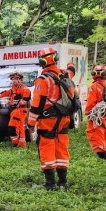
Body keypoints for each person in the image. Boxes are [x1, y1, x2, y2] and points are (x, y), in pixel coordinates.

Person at [27, 48, 71, 189]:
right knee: (61, 148)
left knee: (46, 148)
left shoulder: (43, 79)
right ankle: (63, 181)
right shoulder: (63, 75)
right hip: (63, 118)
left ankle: (50, 183)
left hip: (48, 120)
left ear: (43, 61)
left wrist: (31, 122)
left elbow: (37, 104)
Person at [0, 71, 31, 147]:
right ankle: (21, 143)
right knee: (20, 127)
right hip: (14, 111)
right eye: (13, 79)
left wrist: (15, 105)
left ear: (21, 80)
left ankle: (16, 143)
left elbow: (24, 101)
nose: (14, 80)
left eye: (16, 78)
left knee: (13, 126)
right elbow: (5, 93)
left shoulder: (25, 89)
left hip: (20, 110)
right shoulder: (13, 89)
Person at [85, 65, 106, 159]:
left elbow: (91, 102)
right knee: (105, 131)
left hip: (98, 114)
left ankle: (102, 154)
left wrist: (88, 113)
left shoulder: (94, 87)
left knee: (95, 133)